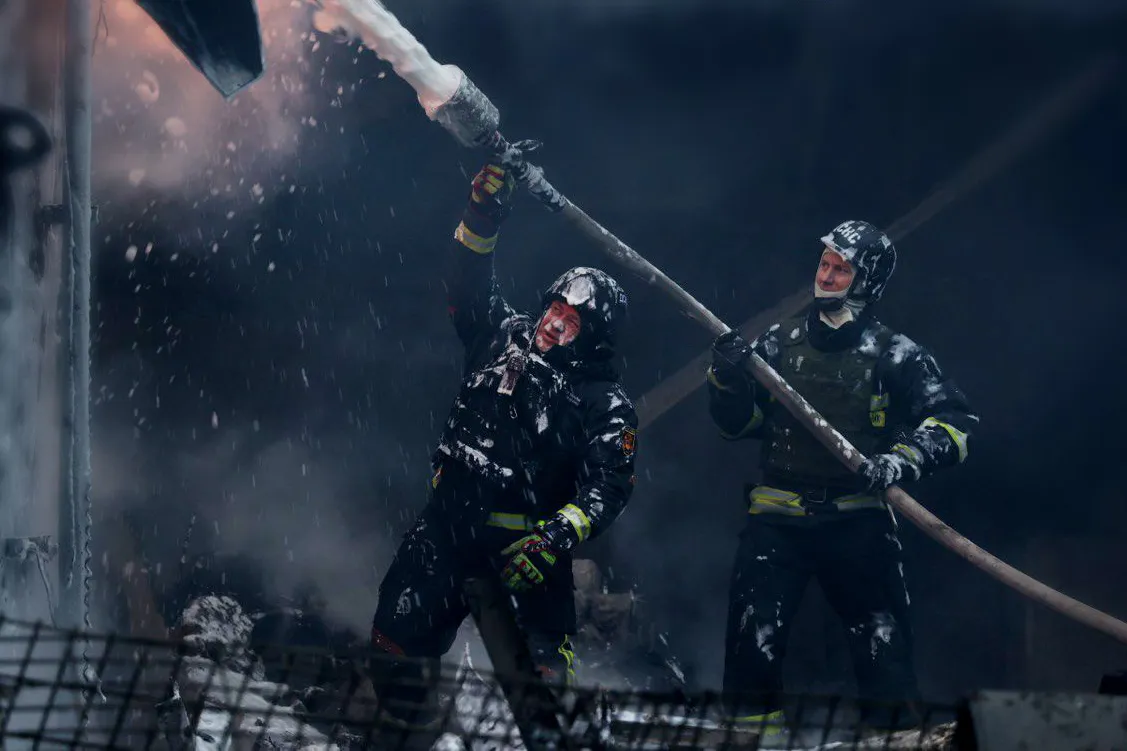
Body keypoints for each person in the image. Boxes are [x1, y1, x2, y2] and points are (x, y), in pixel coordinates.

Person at [368, 162, 639, 729]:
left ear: (593, 339)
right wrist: (483, 211)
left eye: (572, 320)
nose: (554, 323)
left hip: (527, 556)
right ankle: (409, 737)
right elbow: (466, 279)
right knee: (393, 648)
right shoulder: (500, 333)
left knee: (540, 695)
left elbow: (609, 486)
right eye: (555, 308)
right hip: (444, 530)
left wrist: (557, 534)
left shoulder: (603, 403)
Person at [705, 220, 978, 732]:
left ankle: (895, 742)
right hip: (777, 518)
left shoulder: (895, 354)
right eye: (824, 264)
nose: (826, 276)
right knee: (750, 651)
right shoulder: (778, 343)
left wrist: (902, 459)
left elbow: (957, 423)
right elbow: (737, 427)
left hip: (858, 520)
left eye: (841, 269)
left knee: (885, 655)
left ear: (867, 281)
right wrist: (725, 381)